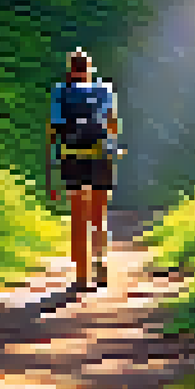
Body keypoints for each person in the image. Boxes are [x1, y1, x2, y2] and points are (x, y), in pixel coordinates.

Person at [46, 48, 124, 289]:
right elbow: (112, 124)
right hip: (101, 157)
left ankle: (81, 276)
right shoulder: (104, 89)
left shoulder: (61, 91)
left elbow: (54, 129)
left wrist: (52, 163)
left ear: (71, 69)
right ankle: (100, 264)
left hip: (72, 157)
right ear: (90, 68)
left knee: (78, 217)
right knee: (99, 215)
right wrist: (112, 147)